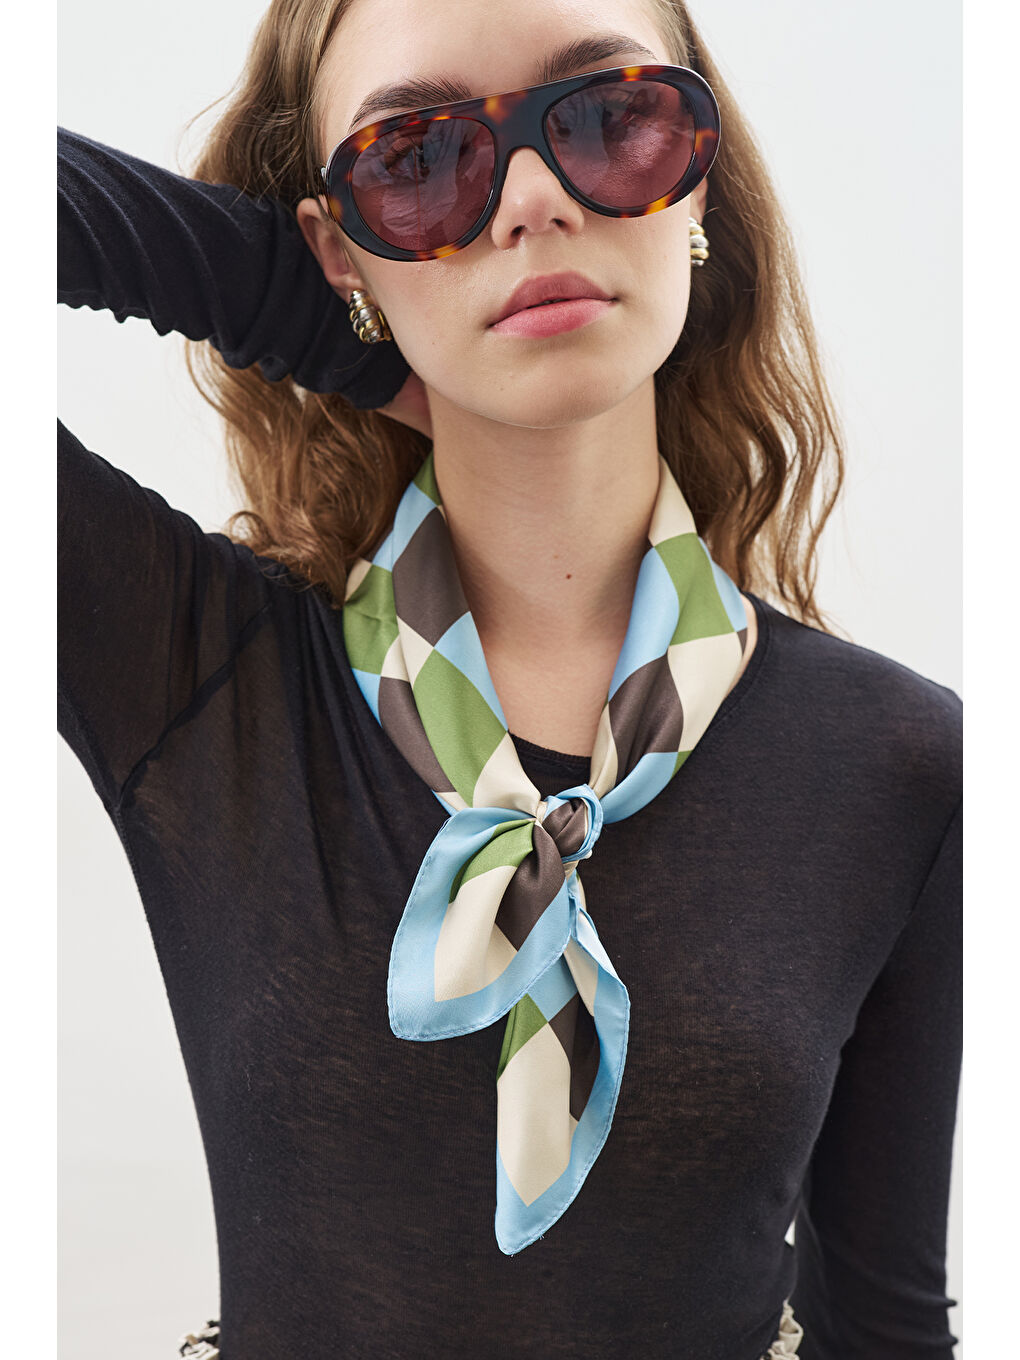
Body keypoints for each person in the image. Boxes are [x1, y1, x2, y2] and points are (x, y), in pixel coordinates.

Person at [57, 0, 962, 1355]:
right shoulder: (195, 677)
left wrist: (401, 264)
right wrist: (323, 318)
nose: (535, 200)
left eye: (609, 117)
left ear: (698, 172)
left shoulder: (900, 761)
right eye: (418, 159)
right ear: (334, 241)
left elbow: (883, 1329)